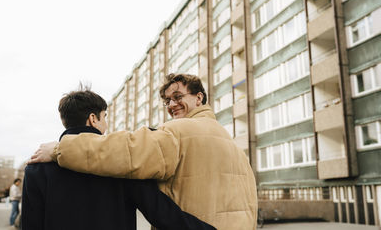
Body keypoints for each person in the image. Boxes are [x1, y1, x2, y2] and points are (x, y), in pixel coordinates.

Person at [30, 74, 258, 230]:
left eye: (178, 97)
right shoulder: (231, 142)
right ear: (94, 118)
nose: (171, 104)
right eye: (167, 100)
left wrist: (61, 147)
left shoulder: (177, 131)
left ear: (199, 97)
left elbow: (126, 150)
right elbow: (161, 211)